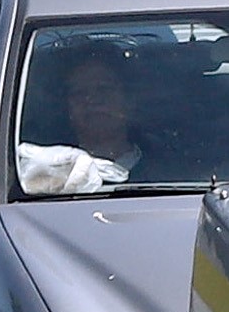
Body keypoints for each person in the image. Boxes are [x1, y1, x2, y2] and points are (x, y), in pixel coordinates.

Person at [16, 44, 150, 198]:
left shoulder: (172, 170)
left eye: (104, 89)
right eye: (80, 93)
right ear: (66, 107)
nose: (92, 101)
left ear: (129, 100)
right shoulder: (41, 172)